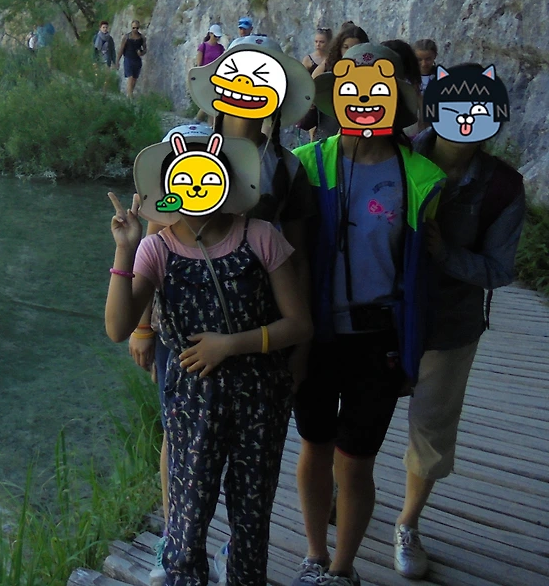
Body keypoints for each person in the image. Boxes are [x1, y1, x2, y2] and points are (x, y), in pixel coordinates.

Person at [107, 128, 313, 586]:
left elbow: (300, 324)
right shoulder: (155, 249)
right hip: (192, 399)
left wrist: (230, 344)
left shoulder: (261, 236)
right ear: (167, 187)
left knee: (252, 512)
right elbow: (118, 328)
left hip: (261, 397)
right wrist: (125, 249)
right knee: (188, 512)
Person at [288, 44, 446, 586]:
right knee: (314, 445)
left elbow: (427, 262)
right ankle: (313, 555)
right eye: (351, 91)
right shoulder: (309, 163)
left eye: (378, 91)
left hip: (377, 338)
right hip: (317, 333)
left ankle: (342, 567)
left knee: (355, 460)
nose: (364, 102)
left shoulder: (420, 176)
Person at [392, 63, 524, 579]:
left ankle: (408, 523)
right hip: (383, 311)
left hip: (451, 323)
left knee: (431, 428)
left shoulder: (502, 188)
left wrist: (444, 252)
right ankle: (345, 491)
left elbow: (498, 269)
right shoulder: (396, 154)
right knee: (362, 412)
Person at [303, 25, 371, 142]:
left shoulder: (370, 72)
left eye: (355, 47)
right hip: (327, 125)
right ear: (339, 48)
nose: (349, 52)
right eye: (345, 47)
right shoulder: (329, 65)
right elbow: (312, 85)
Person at [121, 20, 147, 97]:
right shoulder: (126, 37)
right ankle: (129, 96)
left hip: (137, 60)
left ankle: (130, 93)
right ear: (131, 27)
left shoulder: (142, 38)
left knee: (134, 79)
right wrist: (117, 61)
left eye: (137, 28)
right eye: (133, 28)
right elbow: (121, 49)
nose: (135, 29)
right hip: (128, 59)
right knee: (130, 78)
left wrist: (141, 53)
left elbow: (145, 49)